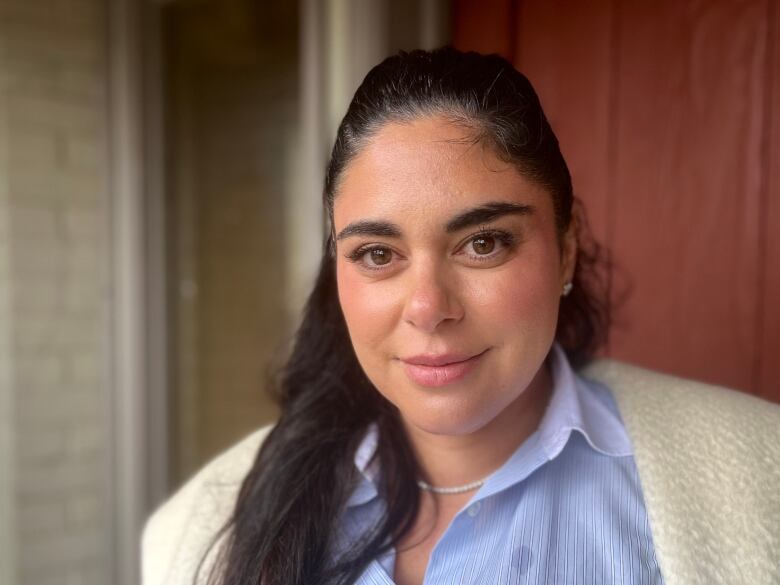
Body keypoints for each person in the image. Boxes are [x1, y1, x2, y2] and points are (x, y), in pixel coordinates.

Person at [142, 48, 780, 585]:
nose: (427, 308)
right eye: (377, 253)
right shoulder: (203, 525)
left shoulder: (755, 483)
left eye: (483, 242)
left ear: (565, 248)